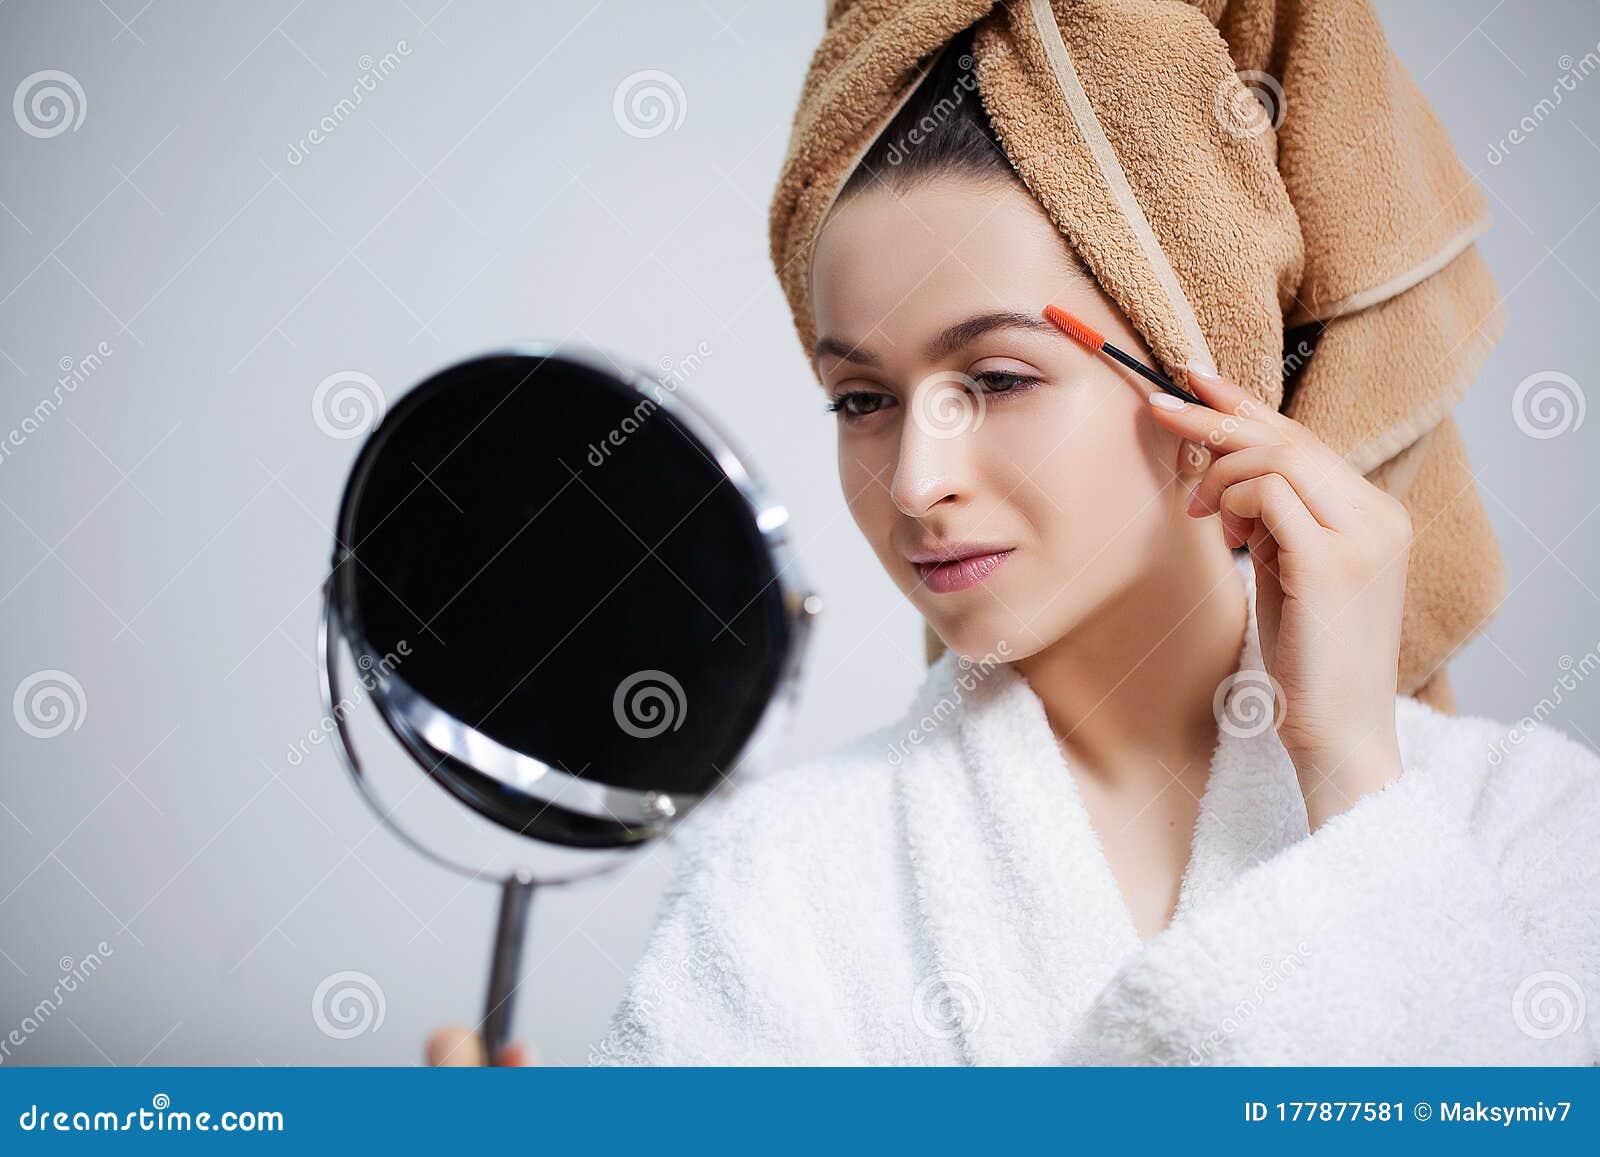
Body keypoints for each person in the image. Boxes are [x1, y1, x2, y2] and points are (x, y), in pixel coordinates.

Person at [428, 28, 1599, 1067]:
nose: (917, 480)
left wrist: (1349, 766)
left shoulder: (1537, 826)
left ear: (1206, 383)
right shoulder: (781, 882)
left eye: (995, 377)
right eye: (860, 399)